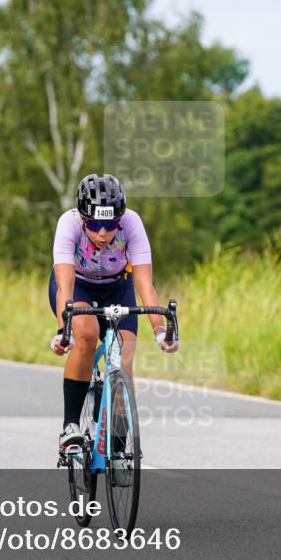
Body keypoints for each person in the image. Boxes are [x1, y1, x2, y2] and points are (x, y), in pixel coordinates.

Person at [48, 173, 178, 458]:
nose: (103, 233)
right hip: (77, 287)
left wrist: (160, 332)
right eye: (95, 224)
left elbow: (144, 284)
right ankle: (71, 427)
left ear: (120, 218)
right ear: (83, 218)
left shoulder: (132, 223)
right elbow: (65, 287)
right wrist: (63, 331)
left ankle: (118, 446)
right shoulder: (68, 223)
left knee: (124, 357)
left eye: (110, 225)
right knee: (86, 335)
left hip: (118, 287)